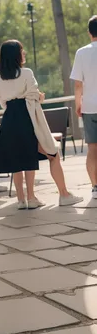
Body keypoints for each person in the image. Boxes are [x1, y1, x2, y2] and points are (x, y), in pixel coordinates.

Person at [0, 40, 82, 209]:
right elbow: (34, 96)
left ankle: (22, 200)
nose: (24, 53)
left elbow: (2, 102)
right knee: (53, 152)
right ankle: (62, 195)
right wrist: (40, 97)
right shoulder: (26, 73)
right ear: (15, 55)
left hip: (9, 120)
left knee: (18, 159)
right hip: (27, 118)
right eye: (22, 50)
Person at [71, 15, 97, 200]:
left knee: (93, 149)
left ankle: (95, 187)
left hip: (90, 107)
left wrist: (78, 105)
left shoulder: (81, 52)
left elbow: (78, 85)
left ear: (89, 32)